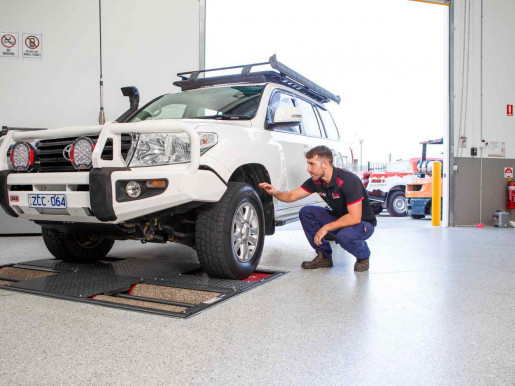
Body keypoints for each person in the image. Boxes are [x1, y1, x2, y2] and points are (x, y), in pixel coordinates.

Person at [259, 145, 377, 272]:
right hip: (341, 218)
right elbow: (292, 196)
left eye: (312, 164)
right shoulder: (316, 181)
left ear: (325, 164)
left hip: (362, 223)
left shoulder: (348, 180)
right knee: (306, 212)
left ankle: (363, 256)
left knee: (345, 236)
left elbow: (354, 217)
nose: (308, 169)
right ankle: (324, 257)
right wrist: (275, 192)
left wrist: (326, 227)